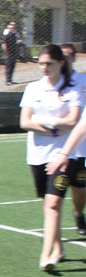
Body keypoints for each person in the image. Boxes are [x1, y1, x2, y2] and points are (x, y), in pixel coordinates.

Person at [19, 44, 83, 271]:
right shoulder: (33, 88)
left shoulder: (74, 87)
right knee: (47, 203)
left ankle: (46, 256)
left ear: (61, 63)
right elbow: (25, 122)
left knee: (54, 202)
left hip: (64, 155)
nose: (44, 68)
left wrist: (45, 123)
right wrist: (55, 127)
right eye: (41, 64)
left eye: (49, 63)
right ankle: (58, 248)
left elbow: (73, 121)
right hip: (37, 155)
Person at [59, 43, 86, 236]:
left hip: (81, 144)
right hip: (57, 144)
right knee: (55, 191)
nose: (65, 59)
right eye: (62, 55)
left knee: (80, 188)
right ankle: (54, 230)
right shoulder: (52, 83)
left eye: (69, 55)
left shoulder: (82, 80)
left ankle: (78, 213)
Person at [2, 21, 23, 86]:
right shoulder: (6, 36)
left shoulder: (14, 35)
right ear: (8, 29)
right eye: (11, 28)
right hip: (9, 53)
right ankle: (8, 81)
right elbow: (4, 44)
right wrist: (6, 52)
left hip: (14, 52)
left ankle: (10, 80)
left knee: (12, 66)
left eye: (13, 28)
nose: (12, 29)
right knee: (8, 67)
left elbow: (17, 41)